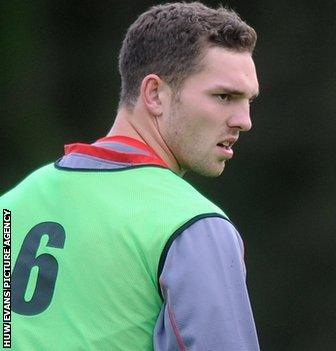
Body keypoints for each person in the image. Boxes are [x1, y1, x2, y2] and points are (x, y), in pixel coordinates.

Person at [2, 3, 260, 350]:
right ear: (154, 94)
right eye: (224, 96)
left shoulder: (13, 204)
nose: (244, 120)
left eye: (248, 100)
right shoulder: (192, 224)